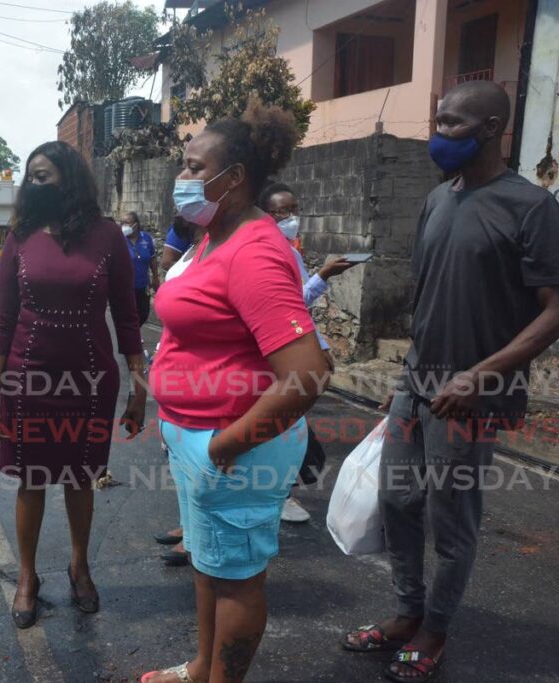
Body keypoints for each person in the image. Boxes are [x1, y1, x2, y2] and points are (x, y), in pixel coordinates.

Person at [342, 81, 559, 683]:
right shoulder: (438, 200)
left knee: (451, 514)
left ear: (491, 128)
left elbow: (553, 310)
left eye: (451, 125)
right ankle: (408, 612)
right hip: (418, 383)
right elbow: (432, 296)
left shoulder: (532, 208)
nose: (438, 135)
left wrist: (480, 374)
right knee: (398, 500)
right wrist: (406, 375)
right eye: (437, 122)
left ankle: (436, 627)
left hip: (474, 395)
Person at [141, 99, 327, 683]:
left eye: (196, 168)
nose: (184, 178)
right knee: (208, 563)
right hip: (198, 437)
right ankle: (202, 669)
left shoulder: (253, 249)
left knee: (237, 578)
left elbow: (308, 374)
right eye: (185, 166)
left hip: (235, 448)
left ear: (235, 178)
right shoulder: (211, 237)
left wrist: (225, 446)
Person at [0, 141, 147, 629]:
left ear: (70, 179)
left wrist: (140, 385)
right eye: (30, 176)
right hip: (27, 380)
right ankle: (27, 577)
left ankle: (79, 565)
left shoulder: (107, 237)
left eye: (44, 175)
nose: (34, 184)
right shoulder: (19, 237)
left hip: (91, 382)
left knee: (80, 476)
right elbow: (3, 319)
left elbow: (128, 316)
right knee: (31, 480)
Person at [259, 182, 358, 523]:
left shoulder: (291, 252)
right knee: (282, 426)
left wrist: (323, 347)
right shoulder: (263, 253)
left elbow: (298, 309)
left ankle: (278, 491)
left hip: (295, 348)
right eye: (282, 211)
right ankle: (277, 493)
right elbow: (287, 305)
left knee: (288, 427)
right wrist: (325, 275)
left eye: (295, 210)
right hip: (277, 352)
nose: (291, 218)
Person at [152, 216, 204, 568]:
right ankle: (188, 528)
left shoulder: (234, 252)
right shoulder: (192, 252)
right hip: (175, 378)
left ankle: (198, 540)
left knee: (200, 470)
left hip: (202, 377)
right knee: (180, 465)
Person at [122, 211, 160, 327]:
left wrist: (155, 276)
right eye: (122, 223)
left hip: (143, 285)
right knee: (127, 314)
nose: (124, 226)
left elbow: (152, 258)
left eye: (127, 223)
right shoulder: (120, 240)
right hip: (126, 286)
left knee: (143, 313)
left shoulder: (146, 238)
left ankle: (134, 332)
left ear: (136, 224)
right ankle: (132, 337)